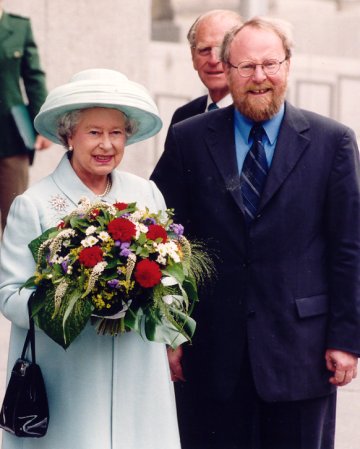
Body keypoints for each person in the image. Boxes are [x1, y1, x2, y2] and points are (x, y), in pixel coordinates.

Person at [151, 17, 360, 449]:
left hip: (302, 354)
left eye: (270, 63)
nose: (259, 77)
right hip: (209, 353)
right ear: (226, 69)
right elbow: (164, 241)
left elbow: (349, 249)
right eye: (246, 66)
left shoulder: (332, 142)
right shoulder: (189, 139)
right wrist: (169, 335)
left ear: (288, 65)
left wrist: (347, 338)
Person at [0, 68, 181, 449]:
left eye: (116, 133)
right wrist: (75, 296)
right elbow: (8, 296)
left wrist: (152, 299)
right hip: (68, 375)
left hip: (137, 369)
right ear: (69, 135)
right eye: (94, 133)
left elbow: (173, 275)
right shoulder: (32, 204)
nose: (106, 145)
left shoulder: (145, 193)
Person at [0, 4, 52, 232]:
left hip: (11, 136)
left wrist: (42, 125)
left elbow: (33, 78)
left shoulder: (19, 27)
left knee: (15, 217)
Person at [170, 9, 243, 126]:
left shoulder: (256, 114)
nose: (213, 60)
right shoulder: (183, 117)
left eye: (223, 49)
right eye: (204, 50)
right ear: (193, 56)